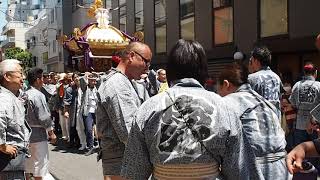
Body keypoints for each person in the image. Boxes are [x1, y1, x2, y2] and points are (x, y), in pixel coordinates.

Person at [121, 40, 261, 180]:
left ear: (170, 71)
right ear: (203, 71)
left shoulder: (148, 109)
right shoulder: (223, 108)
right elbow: (241, 170)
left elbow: (133, 172)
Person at [217, 63, 291, 180]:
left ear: (226, 84)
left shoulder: (227, 103)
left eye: (219, 89)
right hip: (282, 170)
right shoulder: (264, 102)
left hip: (253, 171)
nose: (219, 94)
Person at [96, 41, 152, 180]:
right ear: (131, 56)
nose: (147, 68)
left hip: (123, 161)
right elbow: (129, 132)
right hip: (122, 164)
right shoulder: (117, 84)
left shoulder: (124, 81)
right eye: (146, 62)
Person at [0, 59, 32, 180]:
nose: (23, 76)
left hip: (13, 163)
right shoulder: (4, 98)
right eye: (20, 72)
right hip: (8, 162)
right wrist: (2, 146)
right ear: (7, 76)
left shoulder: (11, 96)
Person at [25, 67, 56, 180]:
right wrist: (51, 133)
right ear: (38, 79)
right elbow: (44, 117)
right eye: (43, 77)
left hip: (26, 134)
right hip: (38, 134)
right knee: (40, 166)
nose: (44, 80)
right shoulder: (38, 95)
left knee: (28, 165)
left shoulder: (24, 94)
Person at [289, 63, 320, 146]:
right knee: (315, 152)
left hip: (300, 124)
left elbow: (292, 103)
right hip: (315, 125)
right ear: (315, 73)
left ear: (304, 73)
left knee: (300, 151)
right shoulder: (318, 85)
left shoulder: (297, 85)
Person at [248, 45, 282, 117]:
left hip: (261, 122)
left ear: (256, 60)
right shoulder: (276, 77)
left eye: (252, 60)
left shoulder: (252, 78)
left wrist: (250, 72)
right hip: (275, 119)